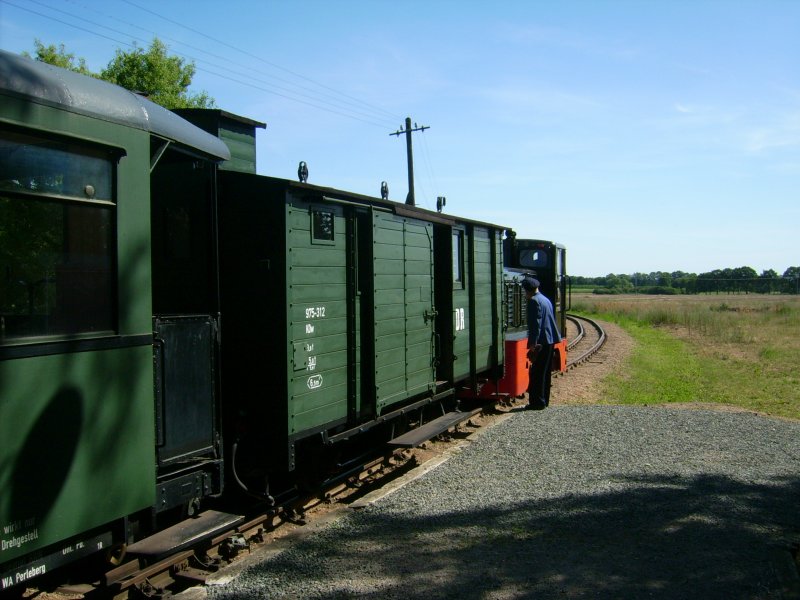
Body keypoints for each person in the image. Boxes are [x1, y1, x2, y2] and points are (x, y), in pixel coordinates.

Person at [521, 277, 561, 410]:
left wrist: (532, 343)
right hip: (550, 340)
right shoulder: (545, 299)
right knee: (545, 372)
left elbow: (535, 324)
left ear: (527, 290)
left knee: (537, 373)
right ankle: (544, 400)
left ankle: (537, 402)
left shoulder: (533, 301)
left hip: (541, 342)